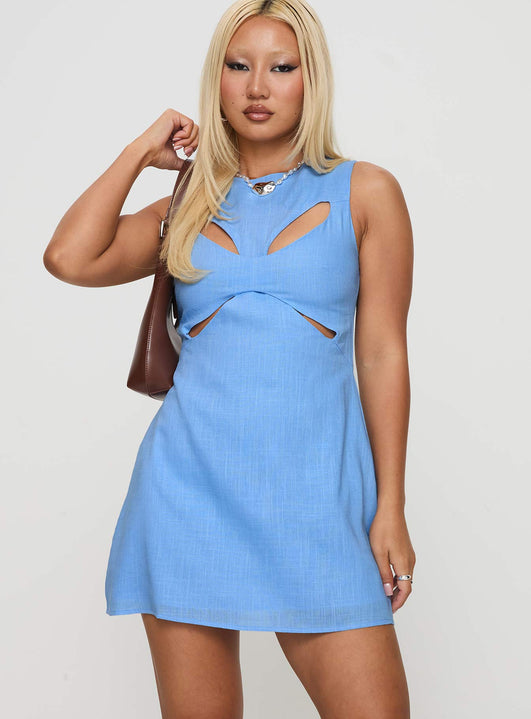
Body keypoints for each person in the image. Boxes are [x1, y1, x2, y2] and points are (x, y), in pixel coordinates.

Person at [43, 0, 415, 716]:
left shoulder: (366, 192)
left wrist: (389, 507)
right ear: (215, 79)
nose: (257, 87)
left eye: (282, 68)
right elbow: (69, 257)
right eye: (238, 67)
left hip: (318, 502)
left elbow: (381, 354)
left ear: (312, 80)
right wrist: (140, 152)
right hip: (188, 499)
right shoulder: (185, 204)